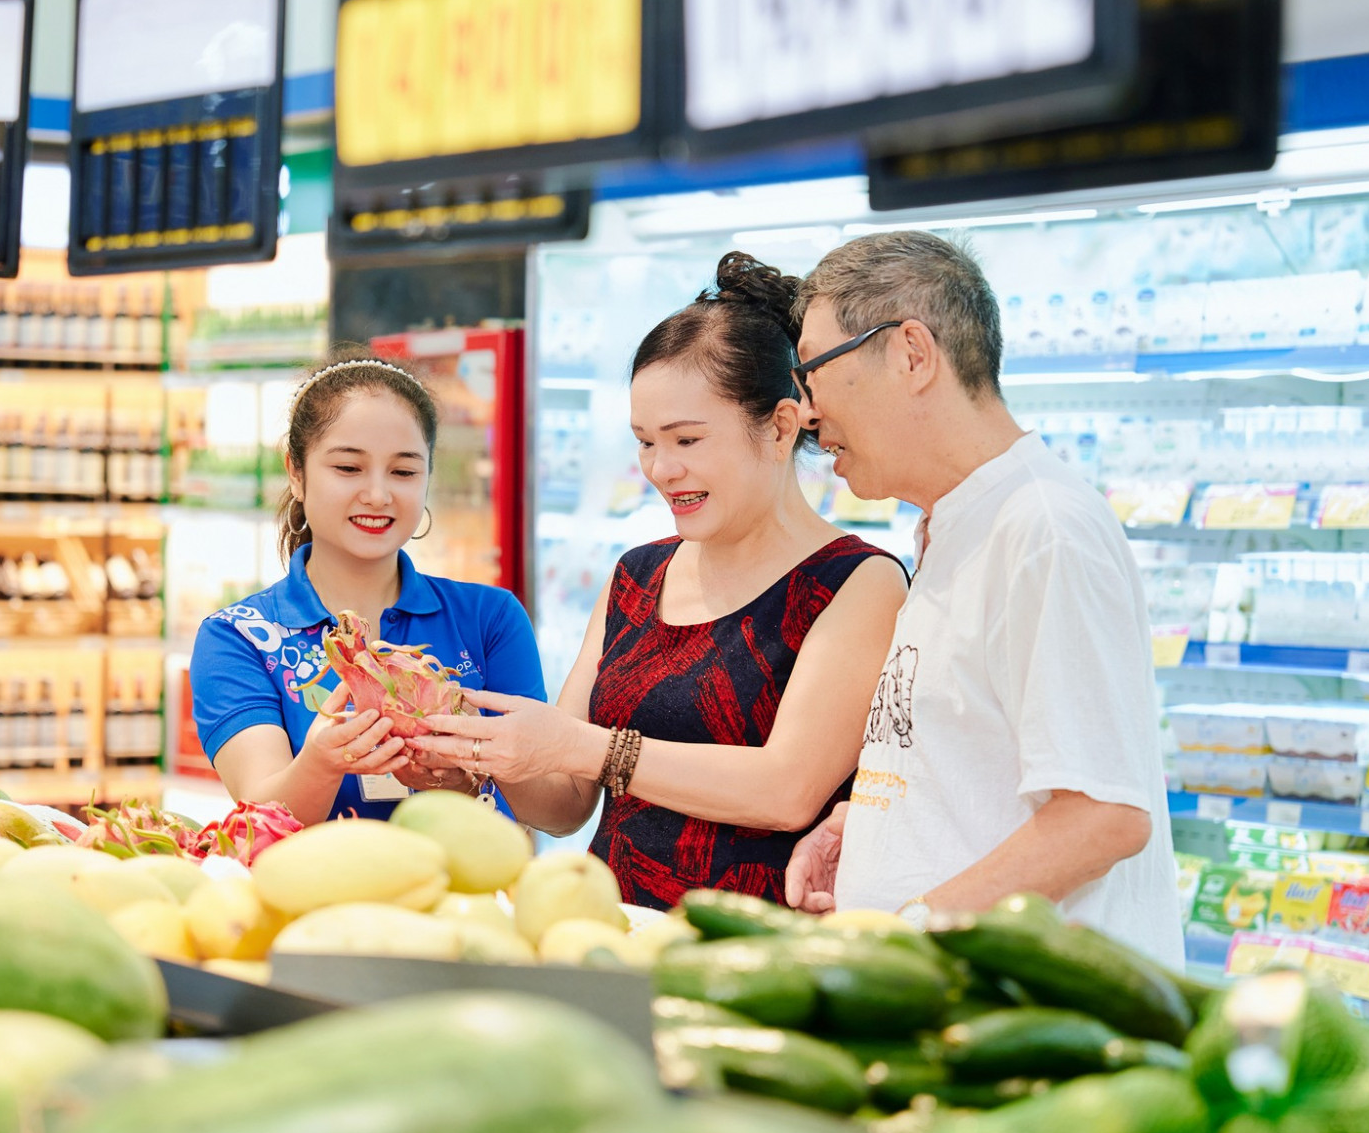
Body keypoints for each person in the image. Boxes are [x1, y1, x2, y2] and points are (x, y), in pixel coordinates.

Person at [407, 254, 908, 908]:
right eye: (645, 441)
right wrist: (471, 755)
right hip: (603, 929)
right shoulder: (636, 576)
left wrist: (587, 746)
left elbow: (787, 790)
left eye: (687, 440)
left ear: (782, 425)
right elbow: (562, 804)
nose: (660, 468)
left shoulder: (859, 582)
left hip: (754, 957)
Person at [781, 230, 1183, 965]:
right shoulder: (957, 522)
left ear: (911, 353)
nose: (807, 412)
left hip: (1034, 1028)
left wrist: (907, 933)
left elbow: (1101, 817)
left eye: (812, 371)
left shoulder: (1043, 528)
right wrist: (869, 822)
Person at [189, 353, 544, 824]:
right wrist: (321, 762)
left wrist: (470, 769)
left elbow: (559, 813)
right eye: (349, 468)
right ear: (296, 472)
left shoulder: (489, 618)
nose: (378, 495)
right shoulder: (238, 638)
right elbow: (262, 816)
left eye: (403, 472)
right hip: (314, 897)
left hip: (470, 896)